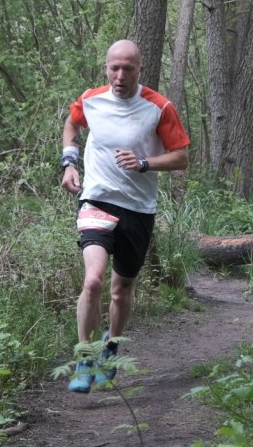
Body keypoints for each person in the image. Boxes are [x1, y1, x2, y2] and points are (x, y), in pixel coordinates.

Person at [59, 39, 190, 393]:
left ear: (140, 70)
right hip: (96, 200)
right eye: (114, 68)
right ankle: (84, 358)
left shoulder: (159, 108)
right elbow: (72, 126)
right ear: (106, 68)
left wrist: (144, 163)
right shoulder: (91, 100)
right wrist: (69, 162)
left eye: (127, 69)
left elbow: (181, 157)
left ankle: (112, 347)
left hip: (138, 209)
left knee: (121, 290)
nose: (119, 76)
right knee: (93, 281)